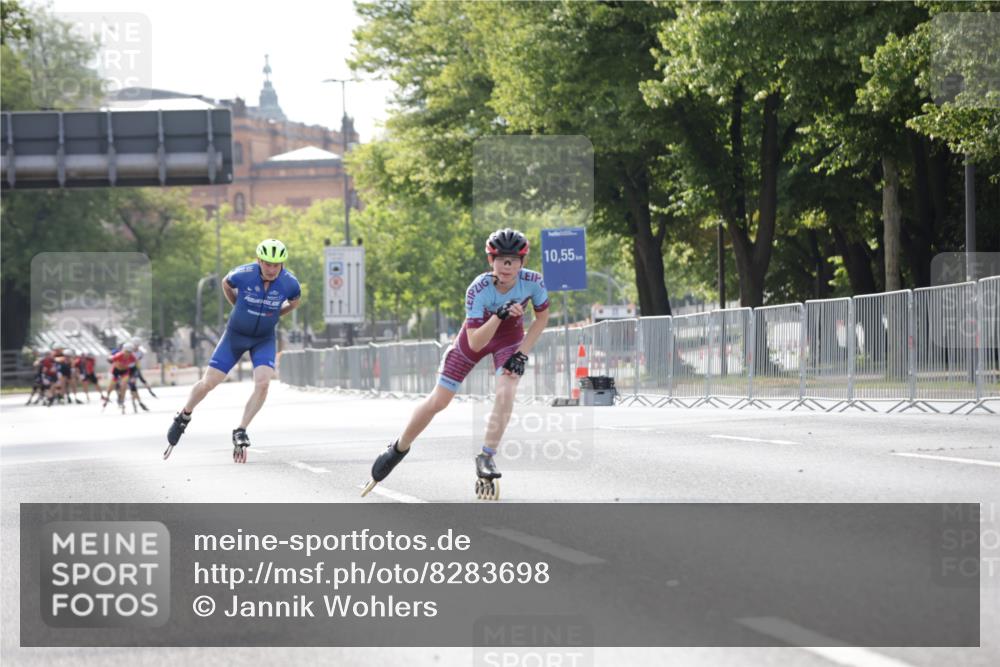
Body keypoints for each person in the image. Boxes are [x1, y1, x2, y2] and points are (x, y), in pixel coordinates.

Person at [362, 228, 550, 500]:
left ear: (523, 262)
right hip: (475, 337)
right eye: (500, 259)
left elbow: (542, 318)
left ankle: (486, 456)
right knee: (439, 401)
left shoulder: (534, 282)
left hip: (509, 339)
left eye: (513, 260)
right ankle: (398, 447)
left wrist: (521, 353)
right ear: (490, 261)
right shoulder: (478, 289)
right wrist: (498, 314)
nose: (506, 266)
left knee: (507, 391)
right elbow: (475, 342)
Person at [164, 238, 301, 463]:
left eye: (276, 265)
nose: (271, 269)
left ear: (282, 265)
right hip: (235, 335)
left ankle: (241, 429)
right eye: (267, 263)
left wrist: (275, 314)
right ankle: (184, 414)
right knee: (209, 383)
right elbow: (226, 284)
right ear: (259, 260)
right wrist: (236, 304)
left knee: (264, 383)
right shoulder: (244, 273)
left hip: (263, 339)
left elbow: (294, 302)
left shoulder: (290, 283)